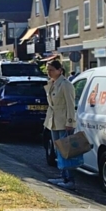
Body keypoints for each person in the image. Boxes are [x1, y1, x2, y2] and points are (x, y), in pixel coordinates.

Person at [45, 59, 79, 190]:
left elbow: (71, 104)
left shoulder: (66, 84)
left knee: (66, 151)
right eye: (48, 70)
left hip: (64, 122)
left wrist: (70, 121)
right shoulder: (52, 84)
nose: (49, 73)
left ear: (60, 70)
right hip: (54, 121)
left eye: (52, 70)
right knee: (57, 150)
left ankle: (69, 179)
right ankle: (63, 176)